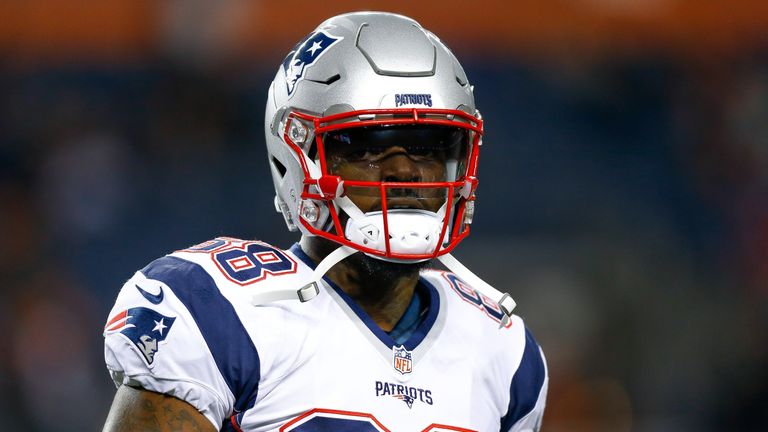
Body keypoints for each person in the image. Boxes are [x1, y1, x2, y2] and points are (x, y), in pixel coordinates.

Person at [102, 11, 548, 432]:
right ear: (297, 160)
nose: (406, 171)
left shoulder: (504, 352)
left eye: (429, 147)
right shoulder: (224, 311)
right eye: (367, 147)